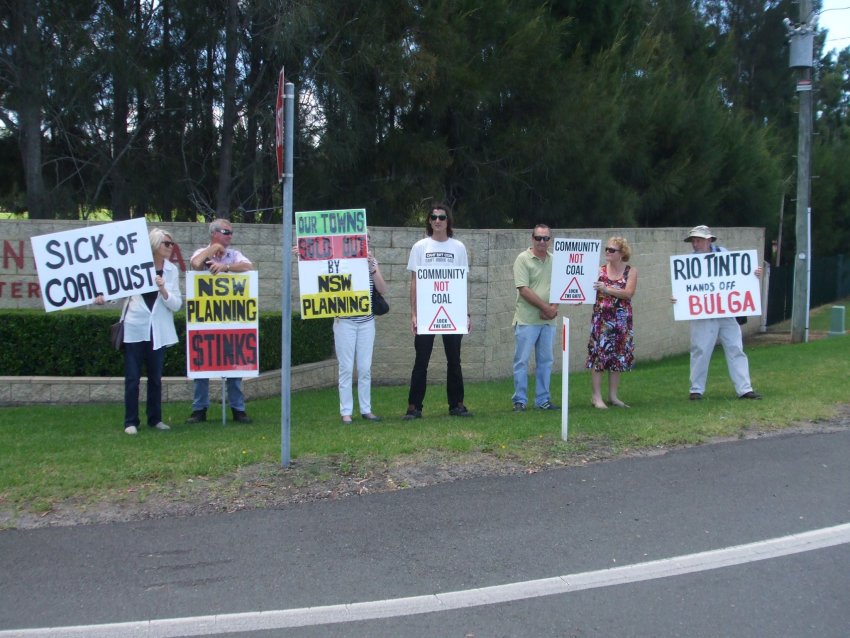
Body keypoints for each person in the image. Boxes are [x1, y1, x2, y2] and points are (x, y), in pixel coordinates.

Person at [98, 228, 182, 435]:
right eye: (167, 244)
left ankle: (155, 419)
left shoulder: (171, 271)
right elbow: (118, 290)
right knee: (132, 378)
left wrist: (163, 290)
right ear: (155, 245)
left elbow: (177, 304)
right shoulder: (135, 267)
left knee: (155, 378)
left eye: (172, 244)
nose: (171, 248)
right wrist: (103, 298)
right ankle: (131, 421)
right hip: (134, 328)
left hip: (158, 331)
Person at [403, 203, 473, 419]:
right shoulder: (420, 247)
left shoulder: (458, 248)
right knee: (421, 360)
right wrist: (414, 313)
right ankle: (414, 406)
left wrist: (466, 313)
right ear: (429, 221)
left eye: (442, 217)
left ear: (448, 220)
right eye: (433, 217)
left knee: (454, 359)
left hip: (452, 311)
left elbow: (462, 283)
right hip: (426, 311)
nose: (437, 221)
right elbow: (414, 282)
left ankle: (457, 404)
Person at [676, 225, 762, 401]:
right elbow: (686, 289)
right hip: (703, 313)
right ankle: (696, 390)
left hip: (726, 312)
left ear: (708, 240)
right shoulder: (688, 264)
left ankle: (745, 389)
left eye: (698, 240)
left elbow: (739, 275)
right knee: (700, 349)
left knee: (735, 347)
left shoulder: (724, 254)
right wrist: (678, 299)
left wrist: (754, 273)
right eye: (693, 240)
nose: (695, 244)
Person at [185, 218, 254, 424]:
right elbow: (196, 264)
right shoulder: (201, 252)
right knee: (201, 366)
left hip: (231, 320)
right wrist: (213, 249)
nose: (230, 236)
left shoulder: (234, 256)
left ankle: (237, 409)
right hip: (205, 321)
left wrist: (226, 267)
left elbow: (249, 266)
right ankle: (199, 410)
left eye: (231, 233)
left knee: (234, 365)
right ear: (214, 233)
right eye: (226, 232)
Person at [333, 236, 389, 424]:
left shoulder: (372, 262)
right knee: (346, 367)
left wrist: (373, 268)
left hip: (366, 322)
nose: (364, 242)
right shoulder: (341, 261)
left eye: (367, 239)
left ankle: (366, 409)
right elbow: (318, 271)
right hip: (345, 322)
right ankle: (346, 412)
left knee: (365, 368)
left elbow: (382, 289)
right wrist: (303, 253)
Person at [511, 224, 560, 412]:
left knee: (546, 361)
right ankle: (520, 400)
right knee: (521, 361)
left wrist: (553, 309)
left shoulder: (555, 260)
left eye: (546, 238)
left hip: (548, 321)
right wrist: (545, 307)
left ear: (550, 240)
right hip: (526, 319)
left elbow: (560, 287)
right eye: (538, 238)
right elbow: (523, 289)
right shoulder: (522, 259)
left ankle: (543, 400)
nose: (542, 242)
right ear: (532, 238)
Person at [586, 237, 638, 409]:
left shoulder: (630, 271)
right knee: (599, 357)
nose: (607, 252)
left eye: (612, 250)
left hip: (621, 321)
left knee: (617, 358)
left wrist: (606, 289)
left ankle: (613, 396)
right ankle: (596, 397)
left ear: (622, 253)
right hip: (601, 321)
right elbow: (586, 291)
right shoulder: (598, 271)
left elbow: (628, 293)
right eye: (606, 249)